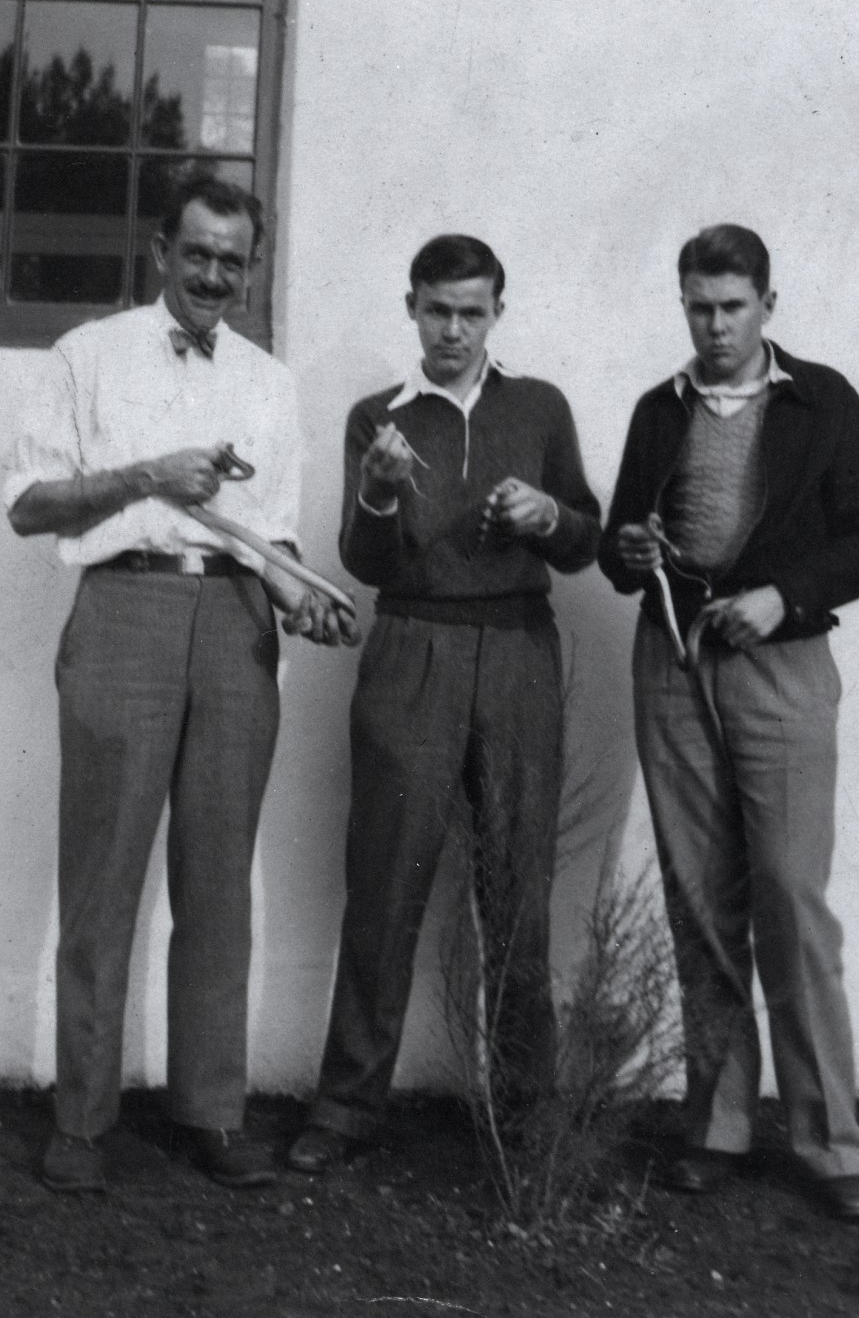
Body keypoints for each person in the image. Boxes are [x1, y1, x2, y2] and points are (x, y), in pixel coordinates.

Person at [5, 172, 355, 1194]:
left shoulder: (269, 381)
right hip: (124, 611)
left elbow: (274, 536)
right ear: (162, 251)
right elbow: (29, 506)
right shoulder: (87, 356)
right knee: (104, 879)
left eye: (232, 260)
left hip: (236, 625)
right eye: (196, 252)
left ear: (250, 271)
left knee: (218, 884)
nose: (213, 273)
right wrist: (147, 475)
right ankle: (81, 1121)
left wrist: (300, 599)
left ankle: (212, 1111)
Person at [597, 223, 859, 1221]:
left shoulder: (823, 402)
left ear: (769, 304)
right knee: (698, 899)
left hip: (779, 667)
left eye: (731, 306)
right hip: (675, 668)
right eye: (697, 305)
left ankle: (830, 1143)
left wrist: (782, 598)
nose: (714, 325)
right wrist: (630, 549)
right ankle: (718, 1124)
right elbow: (617, 546)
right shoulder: (657, 408)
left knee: (790, 902)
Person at [286, 234, 602, 1172]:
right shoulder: (374, 419)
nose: (453, 329)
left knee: (517, 886)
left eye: (472, 312)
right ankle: (344, 1108)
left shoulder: (539, 407)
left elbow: (584, 540)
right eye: (437, 311)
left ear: (497, 312)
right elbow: (365, 562)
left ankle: (521, 1114)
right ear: (412, 308)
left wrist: (550, 519)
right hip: (411, 646)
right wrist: (380, 496)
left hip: (515, 649)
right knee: (384, 883)